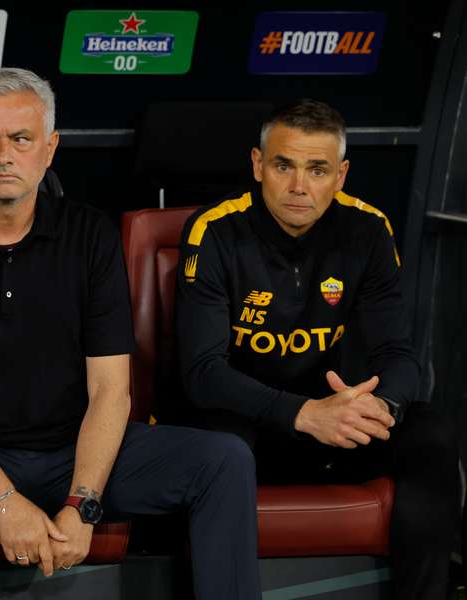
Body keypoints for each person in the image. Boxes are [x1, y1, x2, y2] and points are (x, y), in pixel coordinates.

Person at [0, 67, 262, 600]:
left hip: (75, 452)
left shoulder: (90, 235)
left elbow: (111, 390)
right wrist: (3, 499)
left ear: (49, 147)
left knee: (223, 460)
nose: (4, 156)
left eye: (21, 139)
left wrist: (82, 503)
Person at [175, 98, 459, 599]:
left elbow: (398, 352)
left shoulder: (368, 228)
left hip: (334, 428)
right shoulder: (215, 229)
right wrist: (301, 413)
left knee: (430, 431)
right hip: (247, 424)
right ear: (259, 165)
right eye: (284, 165)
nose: (299, 186)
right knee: (220, 443)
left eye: (318, 169)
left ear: (342, 174)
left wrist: (377, 407)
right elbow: (202, 373)